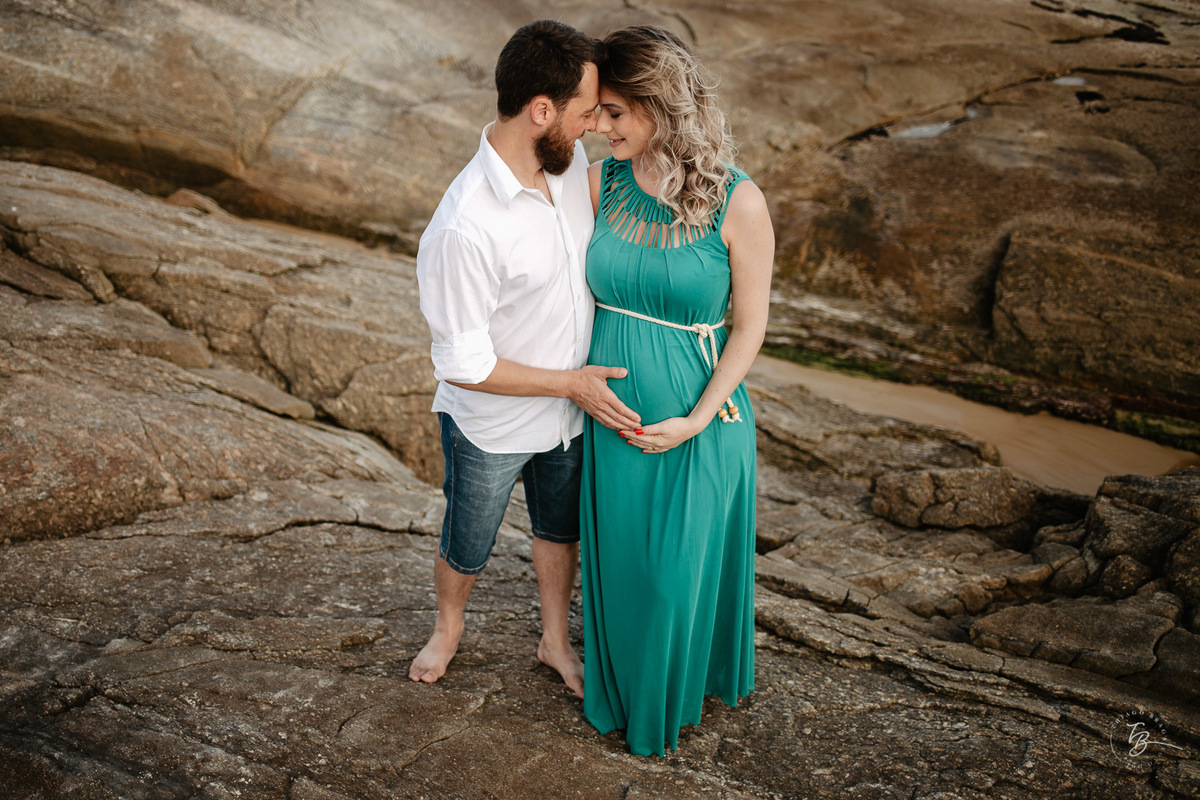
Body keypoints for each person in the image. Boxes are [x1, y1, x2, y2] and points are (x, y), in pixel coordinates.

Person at [411, 19, 640, 699]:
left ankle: (553, 640)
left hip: (569, 417)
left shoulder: (569, 172)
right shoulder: (465, 226)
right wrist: (569, 384)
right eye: (585, 111)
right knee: (468, 539)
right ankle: (448, 628)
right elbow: (463, 364)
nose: (596, 124)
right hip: (491, 424)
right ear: (542, 111)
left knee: (557, 531)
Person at [579, 25, 775, 756]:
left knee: (669, 581)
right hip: (610, 419)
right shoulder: (601, 183)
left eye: (614, 113)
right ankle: (628, 690)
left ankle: (665, 709)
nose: (599, 126)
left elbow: (749, 327)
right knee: (628, 573)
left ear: (659, 106)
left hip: (700, 418)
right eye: (596, 112)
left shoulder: (739, 201)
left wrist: (695, 420)